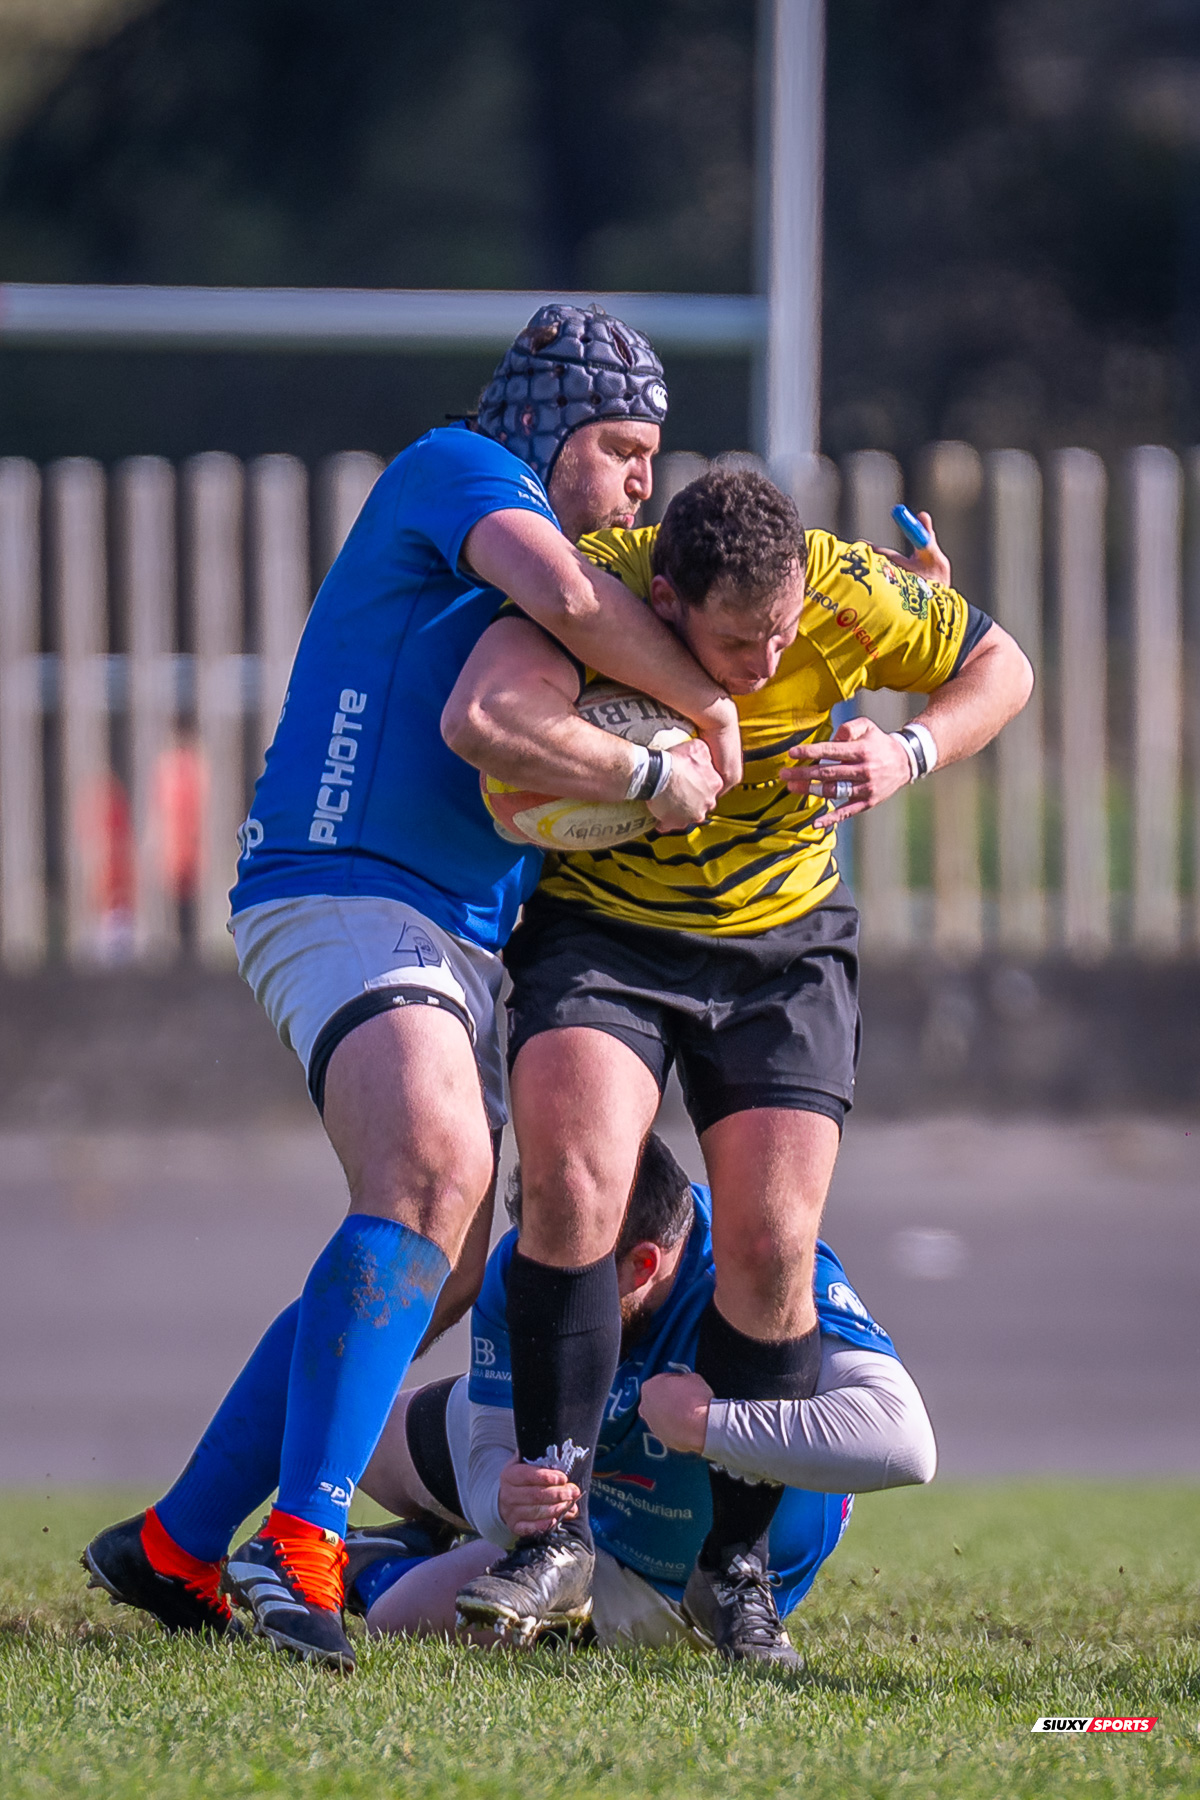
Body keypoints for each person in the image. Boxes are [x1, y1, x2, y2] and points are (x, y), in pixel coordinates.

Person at [82, 305, 741, 1674]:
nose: (639, 481)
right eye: (621, 447)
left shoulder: (563, 533)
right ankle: (304, 1541)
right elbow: (563, 601)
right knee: (440, 1166)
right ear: (552, 423)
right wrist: (705, 712)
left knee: (438, 1260)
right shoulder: (462, 468)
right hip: (343, 879)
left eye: (652, 456)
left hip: (446, 927)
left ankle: (183, 1540)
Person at [442, 467, 1031, 1660]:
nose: (762, 667)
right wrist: (637, 773)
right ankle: (551, 1535)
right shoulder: (595, 585)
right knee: (572, 1187)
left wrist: (911, 751)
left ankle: (737, 1564)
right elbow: (484, 715)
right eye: (731, 643)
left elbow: (1002, 668)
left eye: (777, 636)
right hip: (606, 937)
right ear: (664, 601)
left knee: (772, 1252)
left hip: (785, 951)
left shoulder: (848, 592)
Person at [325, 1133, 936, 1661]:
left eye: (573, 1274)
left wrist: (707, 1425)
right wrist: (499, 1498)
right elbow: (491, 1436)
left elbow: (907, 1444)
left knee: (401, 1616)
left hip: (661, 1573)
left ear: (642, 1264)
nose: (544, 1276)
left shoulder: (761, 1264)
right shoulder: (532, 1258)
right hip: (593, 1465)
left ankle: (367, 1563)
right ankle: (403, 1534)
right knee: (361, 1438)